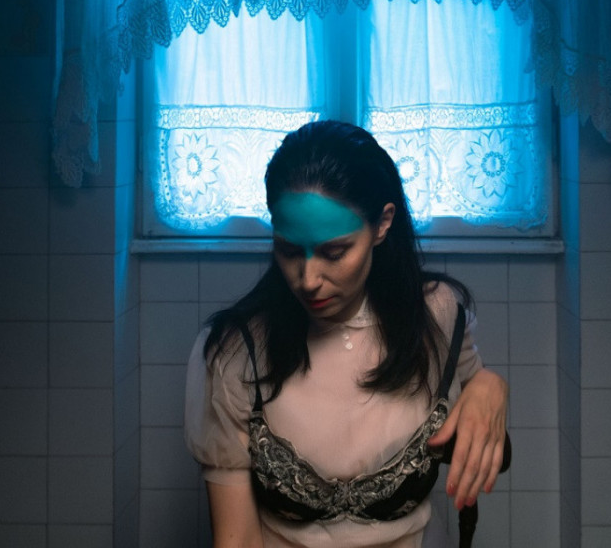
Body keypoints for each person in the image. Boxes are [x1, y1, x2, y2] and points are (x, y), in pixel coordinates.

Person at [184, 120, 508, 547]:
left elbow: (472, 387)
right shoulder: (237, 350)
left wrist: (490, 386)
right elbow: (237, 539)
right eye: (288, 250)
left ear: (382, 224)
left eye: (334, 252)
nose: (308, 279)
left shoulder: (437, 313)